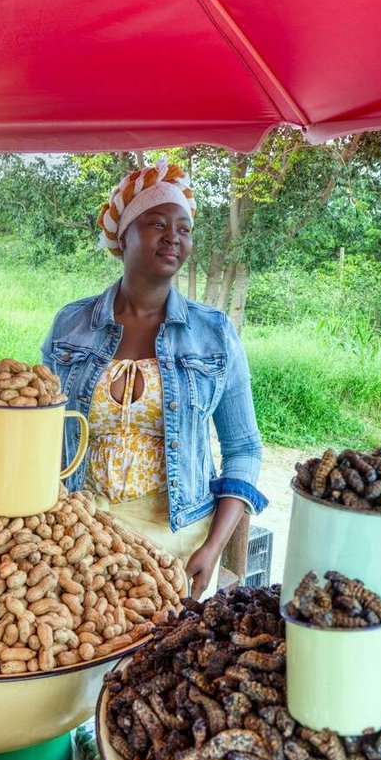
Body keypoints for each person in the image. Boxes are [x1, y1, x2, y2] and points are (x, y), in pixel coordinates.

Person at [41, 158, 267, 598]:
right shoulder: (72, 324)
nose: (174, 237)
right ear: (122, 235)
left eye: (184, 228)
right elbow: (38, 428)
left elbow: (243, 448)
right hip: (76, 533)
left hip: (177, 540)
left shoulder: (214, 334)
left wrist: (213, 545)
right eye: (157, 223)